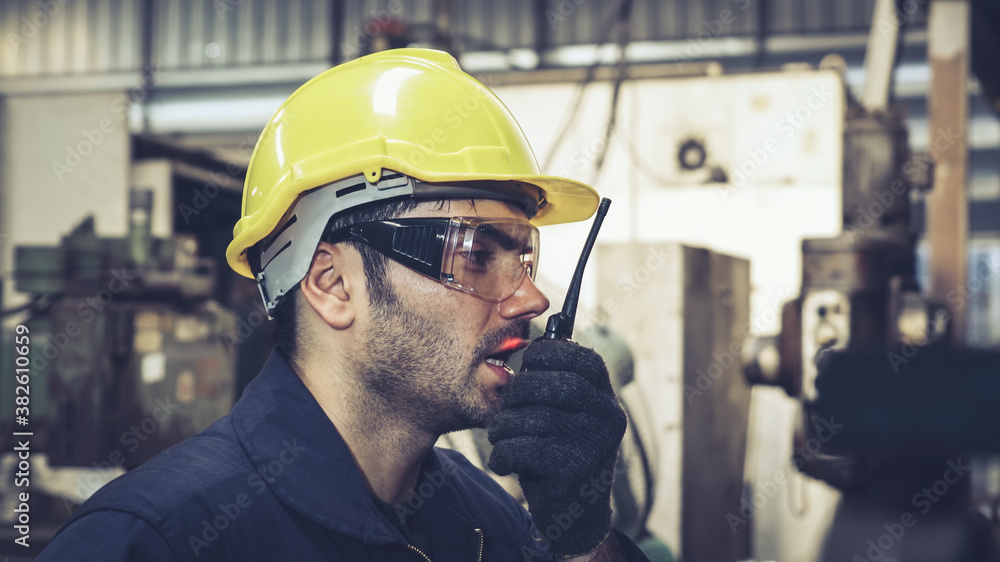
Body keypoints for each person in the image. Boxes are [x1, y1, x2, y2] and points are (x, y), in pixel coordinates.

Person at [37, 48, 648, 562]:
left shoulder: (482, 523)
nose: (532, 297)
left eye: (524, 256)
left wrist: (583, 536)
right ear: (332, 284)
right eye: (476, 251)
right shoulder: (152, 540)